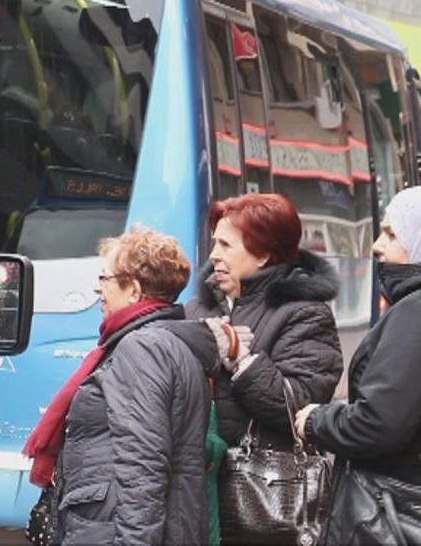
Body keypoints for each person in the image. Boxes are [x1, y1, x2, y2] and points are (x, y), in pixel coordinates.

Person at [24, 226, 223, 544]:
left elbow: (142, 462)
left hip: (111, 530)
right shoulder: (167, 342)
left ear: (134, 290)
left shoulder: (141, 348)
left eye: (105, 279)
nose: (97, 289)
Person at [294, 186, 421, 544]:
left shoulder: (414, 313)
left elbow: (380, 421)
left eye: (392, 234)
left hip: (393, 509)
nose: (378, 245)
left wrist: (318, 420)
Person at [186, 194, 342, 457]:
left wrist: (241, 361)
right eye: (215, 243)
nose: (214, 255)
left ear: (262, 254)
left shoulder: (306, 313)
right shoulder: (198, 307)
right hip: (198, 478)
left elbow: (299, 408)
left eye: (225, 245)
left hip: (262, 484)